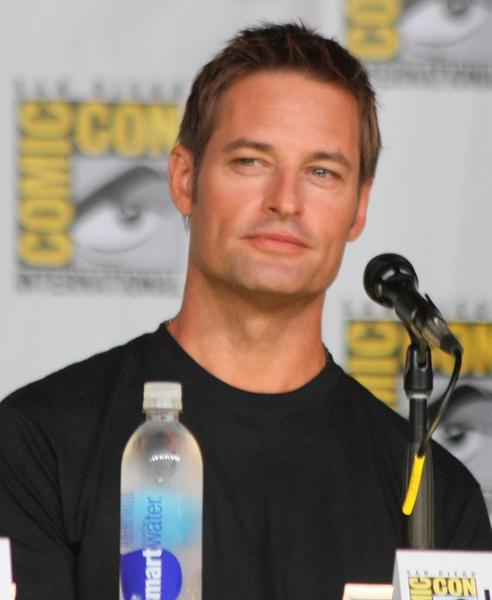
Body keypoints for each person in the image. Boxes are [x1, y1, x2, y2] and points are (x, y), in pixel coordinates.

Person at [0, 22, 491, 600]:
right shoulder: (38, 443)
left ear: (358, 208)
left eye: (321, 172)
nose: (285, 201)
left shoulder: (437, 496)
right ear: (184, 178)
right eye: (252, 161)